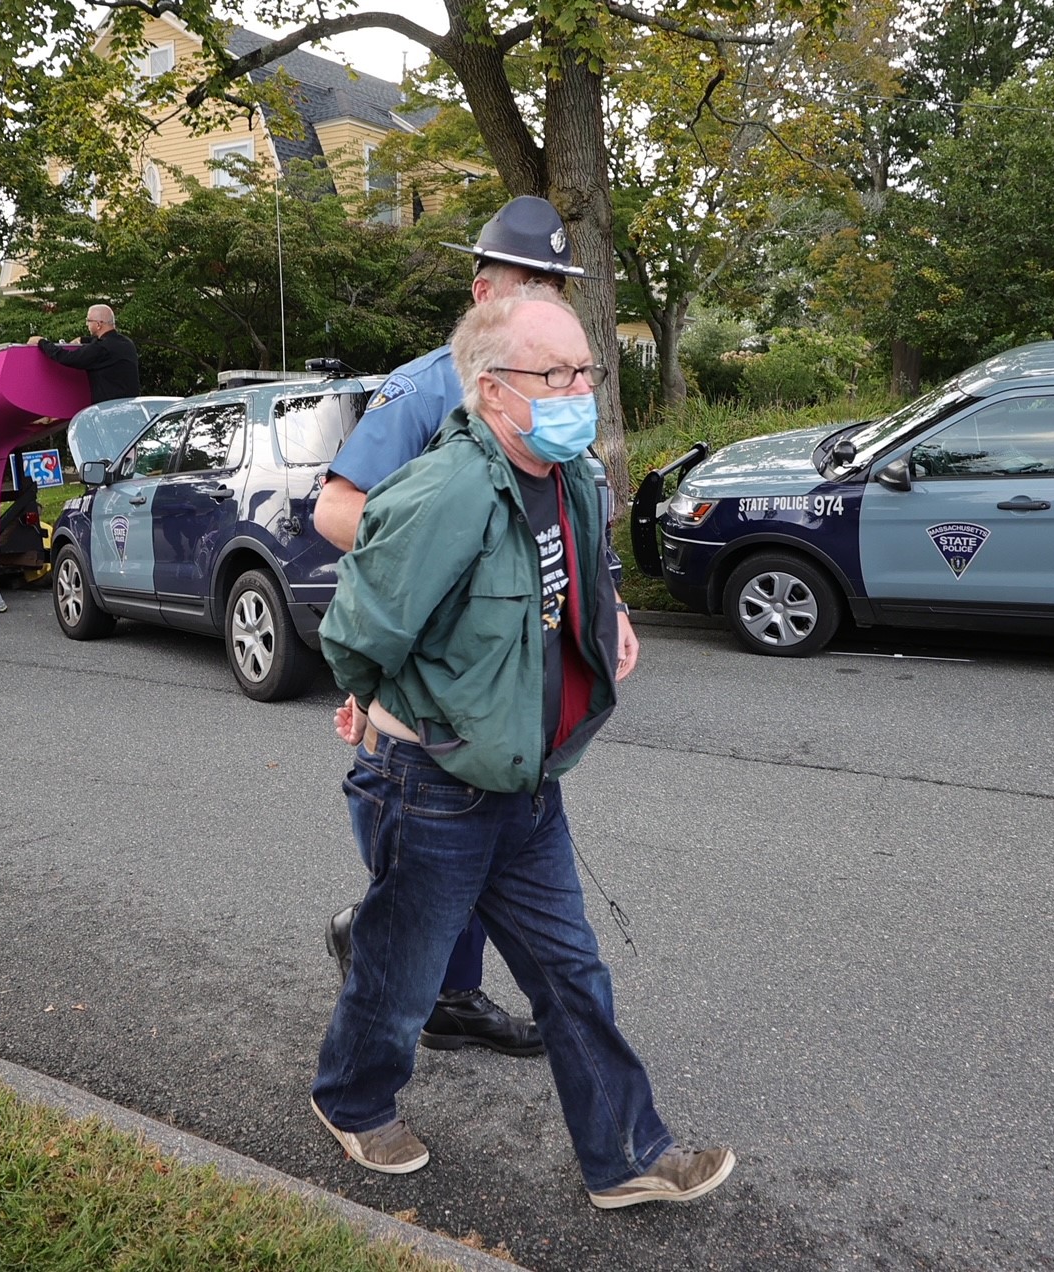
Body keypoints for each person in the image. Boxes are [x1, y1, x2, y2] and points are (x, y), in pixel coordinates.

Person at [309, 290, 732, 1210]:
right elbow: (355, 632)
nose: (581, 388)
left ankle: (626, 1157)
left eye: (586, 369)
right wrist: (377, 701)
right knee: (405, 972)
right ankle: (350, 1099)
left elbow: (578, 576)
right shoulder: (444, 490)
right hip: (431, 783)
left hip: (529, 782)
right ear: (493, 391)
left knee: (571, 975)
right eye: (559, 373)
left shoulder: (568, 471)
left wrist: (609, 614)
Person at [316, 195, 634, 1058]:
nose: (548, 298)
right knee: (439, 850)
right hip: (436, 683)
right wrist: (442, 539)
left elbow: (566, 516)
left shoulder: (559, 383)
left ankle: (448, 994)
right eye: (532, 280)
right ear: (482, 290)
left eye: (559, 283)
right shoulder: (432, 386)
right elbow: (337, 509)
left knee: (489, 844)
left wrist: (607, 605)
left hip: (522, 681)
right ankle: (386, 967)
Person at [25, 303, 140, 402]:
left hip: (109, 410)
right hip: (130, 406)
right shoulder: (126, 343)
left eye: (88, 320)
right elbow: (102, 341)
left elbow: (68, 358)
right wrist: (83, 339)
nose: (86, 324)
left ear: (98, 324)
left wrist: (41, 342)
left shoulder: (101, 349)